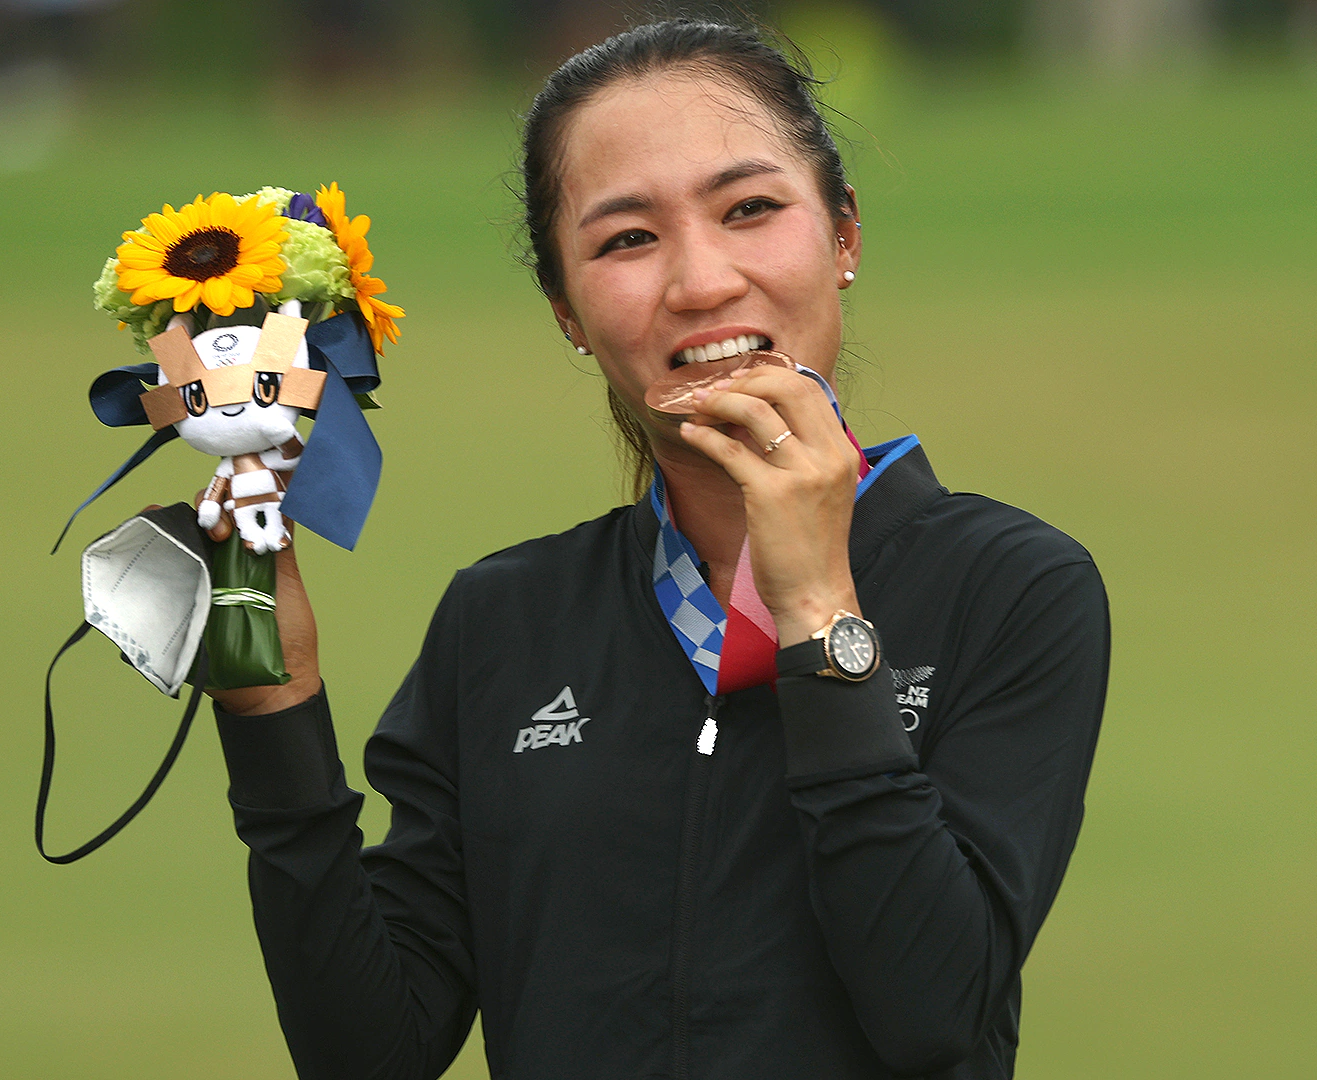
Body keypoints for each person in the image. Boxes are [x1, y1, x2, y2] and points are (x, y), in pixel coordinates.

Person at [204, 19, 1109, 1080]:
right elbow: (370, 1053)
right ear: (567, 311)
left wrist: (820, 608)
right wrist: (274, 700)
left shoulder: (1012, 586)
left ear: (845, 235)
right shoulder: (504, 620)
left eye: (751, 209)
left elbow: (934, 1013)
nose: (700, 281)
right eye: (627, 238)